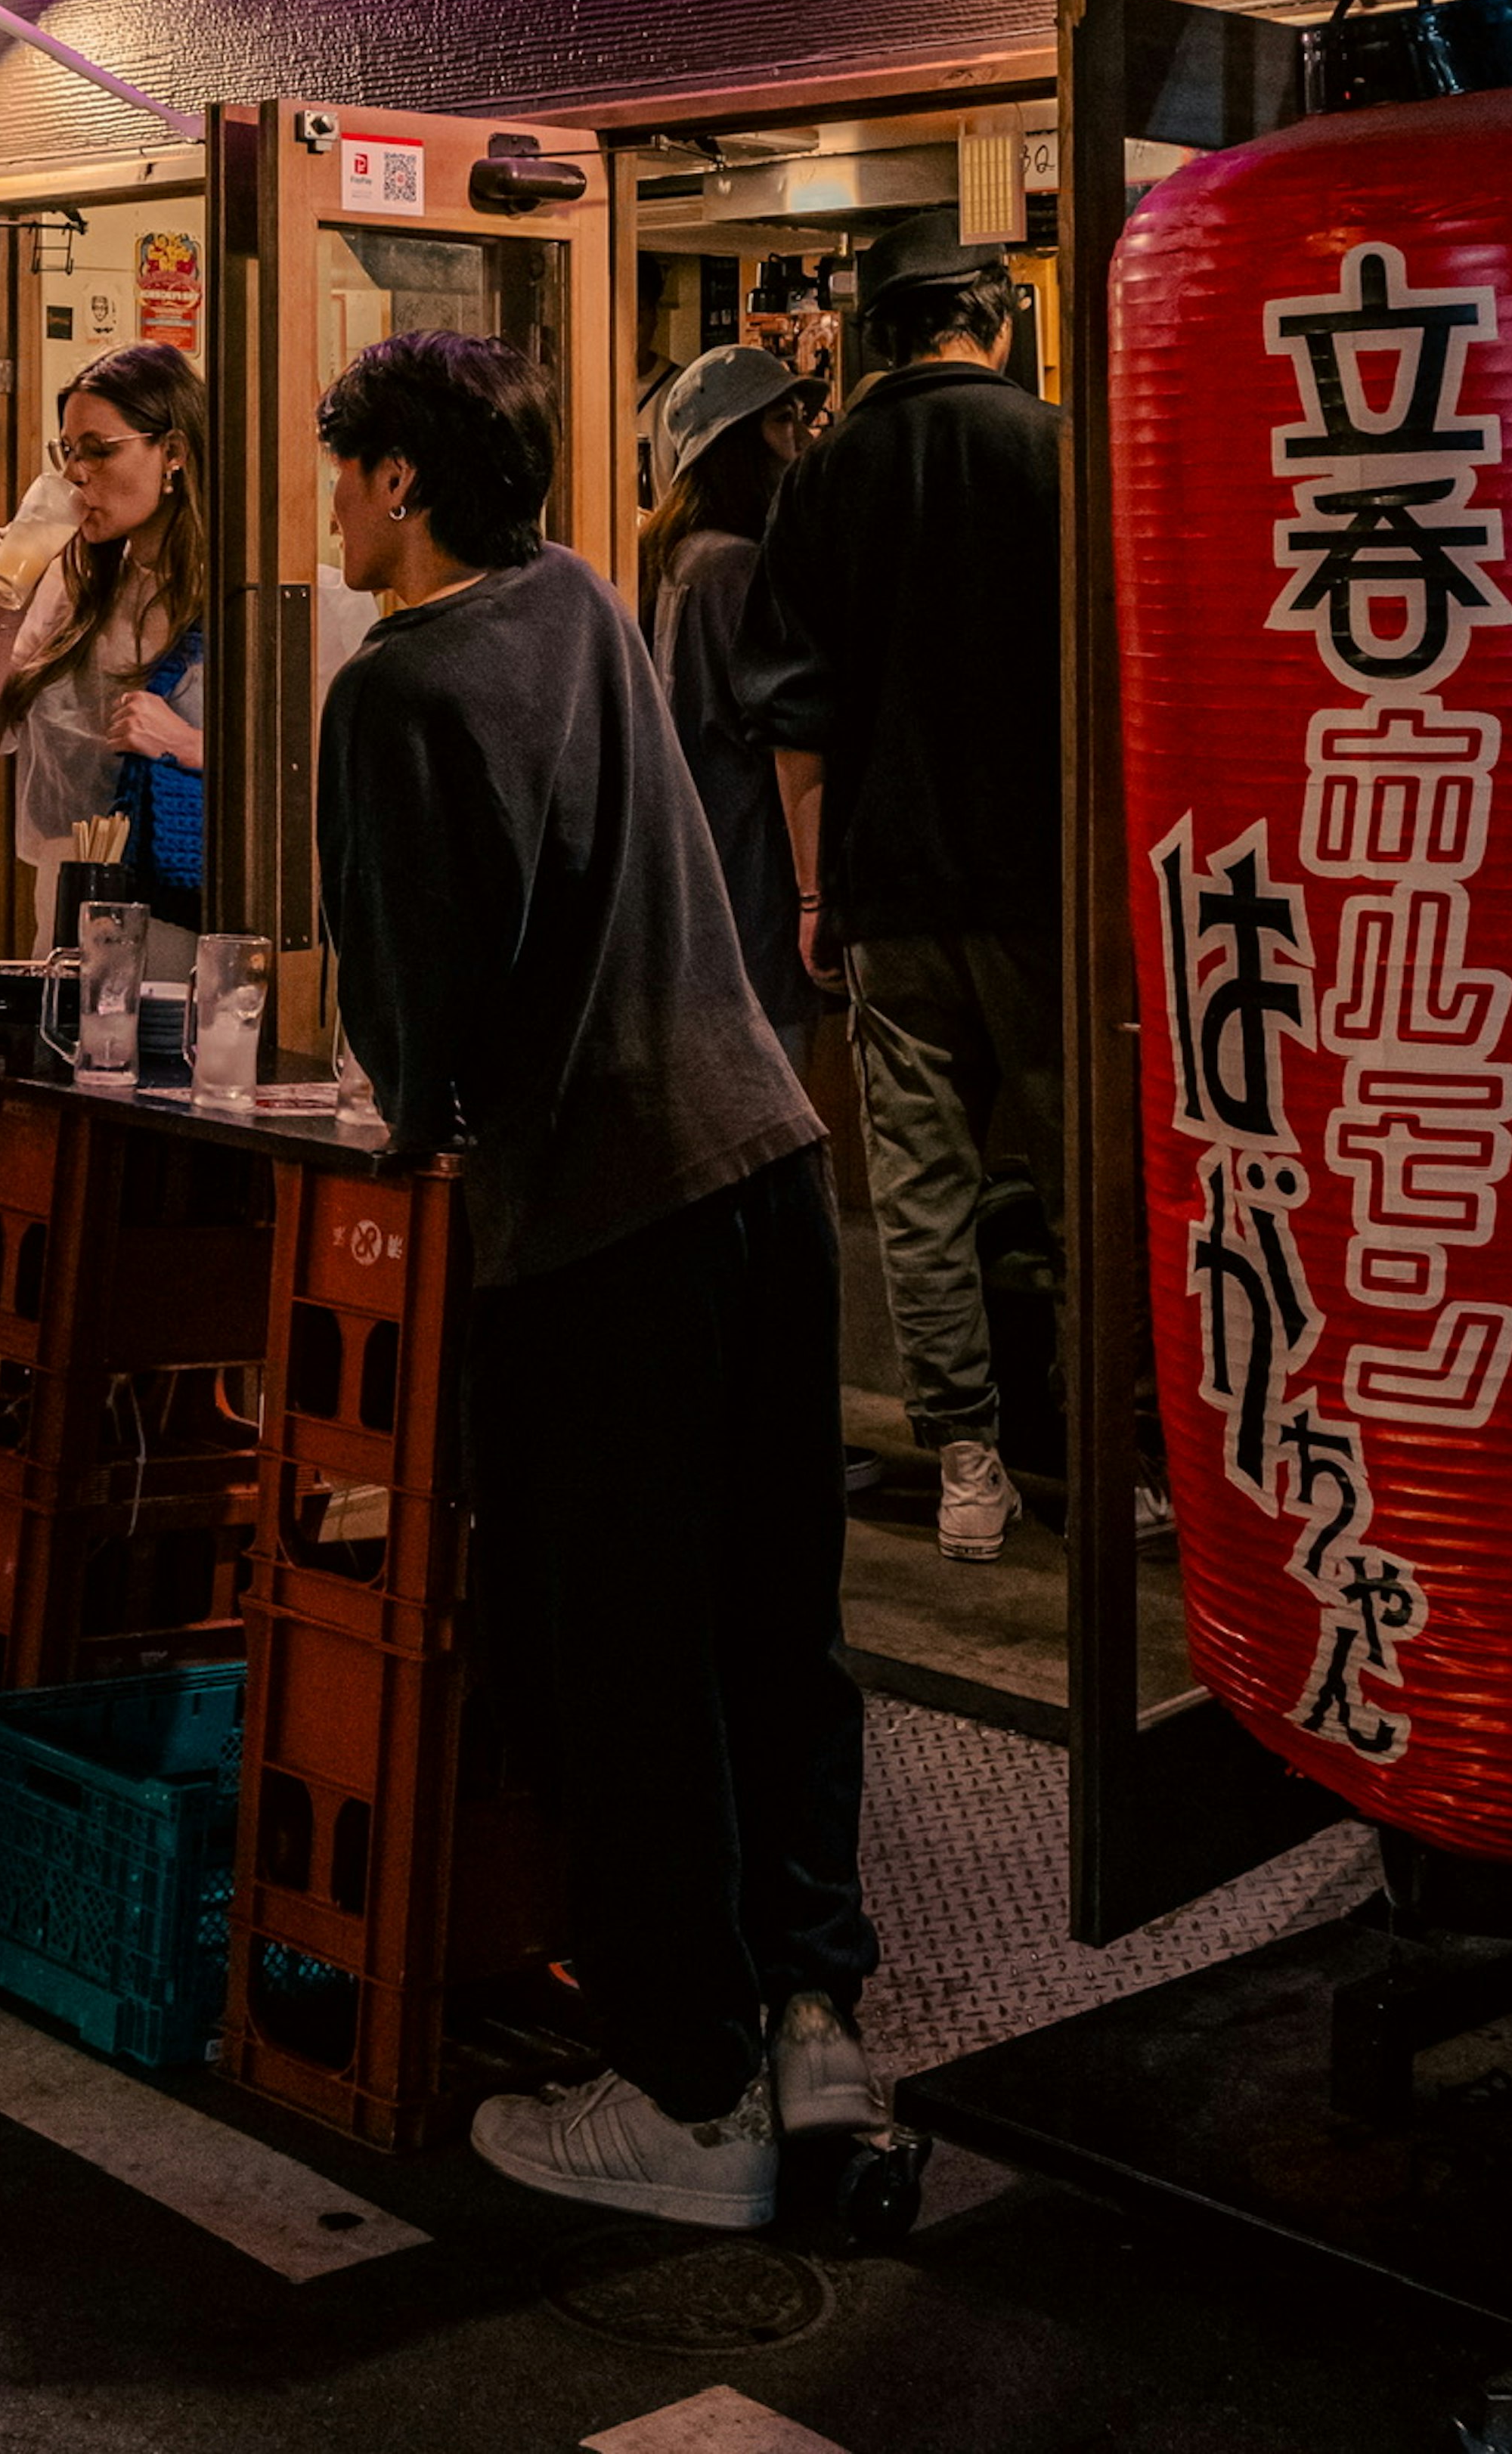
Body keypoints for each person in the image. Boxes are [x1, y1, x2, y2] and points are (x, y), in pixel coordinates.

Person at [318, 331, 876, 2235]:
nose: (331, 508)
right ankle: (812, 2013)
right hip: (763, 1158)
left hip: (605, 1221)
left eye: (346, 472)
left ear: (401, 479)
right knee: (767, 1621)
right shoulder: (576, 597)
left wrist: (409, 1105)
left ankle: (689, 2090)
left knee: (622, 1656)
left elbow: (412, 1017)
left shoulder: (395, 687)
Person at [742, 207, 1065, 1566]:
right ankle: (1123, 1459)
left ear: (878, 339)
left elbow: (793, 718)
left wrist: (817, 895)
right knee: (1079, 1173)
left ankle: (968, 1463)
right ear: (994, 322)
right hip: (1049, 889)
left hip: (889, 884)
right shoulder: (1058, 451)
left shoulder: (824, 477)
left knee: (920, 1186)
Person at [0, 345, 206, 962]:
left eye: (99, 449)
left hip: (184, 917)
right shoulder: (69, 588)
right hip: (70, 910)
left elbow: (315, 771)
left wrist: (188, 744)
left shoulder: (241, 593)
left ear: (174, 452)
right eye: (69, 452)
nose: (77, 474)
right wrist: (9, 607)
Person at [638, 342, 815, 1064]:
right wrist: (813, 896)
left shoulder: (674, 560)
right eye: (782, 421)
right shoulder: (739, 567)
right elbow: (784, 729)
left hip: (692, 895)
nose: (803, 438)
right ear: (734, 445)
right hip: (754, 889)